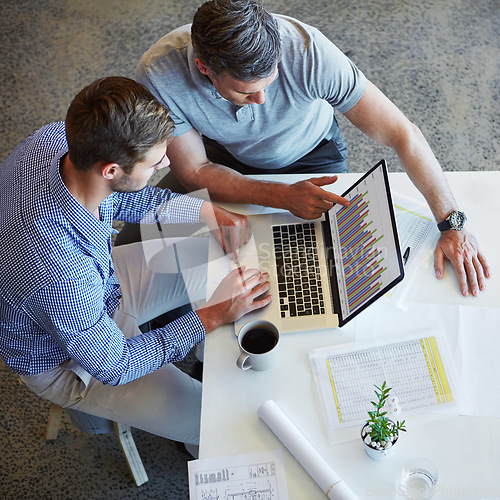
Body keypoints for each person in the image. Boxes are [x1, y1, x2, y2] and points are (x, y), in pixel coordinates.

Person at [132, 0, 490, 297]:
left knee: (331, 274)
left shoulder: (307, 49)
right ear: (204, 68)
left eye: (270, 82)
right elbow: (194, 170)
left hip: (314, 154)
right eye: (245, 92)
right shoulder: (159, 73)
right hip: (222, 159)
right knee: (145, 246)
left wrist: (451, 222)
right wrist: (281, 196)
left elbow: (402, 133)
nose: (261, 101)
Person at [0, 76, 271, 453]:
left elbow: (125, 199)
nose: (167, 162)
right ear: (110, 169)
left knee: (219, 250)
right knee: (216, 423)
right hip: (72, 361)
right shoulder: (57, 271)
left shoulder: (59, 139)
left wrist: (207, 211)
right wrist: (210, 316)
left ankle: (212, 353)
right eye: (156, 160)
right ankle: (197, 444)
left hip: (100, 285)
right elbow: (116, 365)